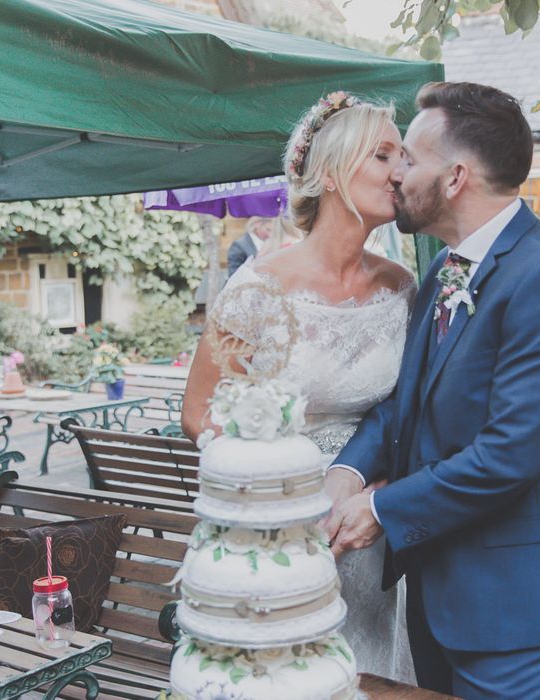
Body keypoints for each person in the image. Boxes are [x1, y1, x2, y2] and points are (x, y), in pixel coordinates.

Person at [324, 82, 540, 699]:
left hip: (512, 602)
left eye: (411, 160)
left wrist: (378, 508)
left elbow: (509, 455)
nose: (396, 173)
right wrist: (348, 470)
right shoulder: (447, 269)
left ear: (454, 178)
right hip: (438, 584)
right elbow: (407, 401)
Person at [182, 91, 416, 682]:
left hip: (367, 532)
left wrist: (378, 496)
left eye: (404, 157)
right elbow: (198, 411)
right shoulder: (258, 288)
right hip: (279, 536)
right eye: (384, 155)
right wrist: (274, 494)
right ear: (334, 173)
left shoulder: (403, 288)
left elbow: (408, 415)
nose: (401, 172)